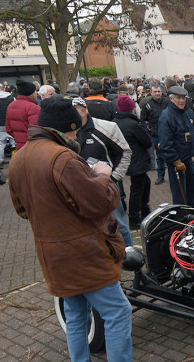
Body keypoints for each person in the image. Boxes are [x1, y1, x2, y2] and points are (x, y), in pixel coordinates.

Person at [8, 95, 170, 362]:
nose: (75, 136)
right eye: (73, 129)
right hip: (84, 254)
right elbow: (98, 204)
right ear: (65, 128)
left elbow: (22, 209)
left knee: (76, 314)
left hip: (53, 254)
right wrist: (104, 179)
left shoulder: (20, 157)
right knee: (118, 312)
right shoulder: (63, 158)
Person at [72, 98, 133, 247]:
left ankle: (132, 260)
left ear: (85, 110)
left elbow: (125, 152)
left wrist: (113, 178)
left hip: (107, 186)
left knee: (118, 223)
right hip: (80, 188)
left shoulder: (107, 127)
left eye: (77, 111)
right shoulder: (67, 132)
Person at [158, 86, 194, 208]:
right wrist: (176, 161)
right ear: (171, 99)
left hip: (188, 160)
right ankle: (182, 220)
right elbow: (165, 144)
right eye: (178, 98)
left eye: (183, 98)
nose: (181, 101)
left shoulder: (188, 112)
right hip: (177, 163)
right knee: (180, 196)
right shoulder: (166, 116)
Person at [114, 95, 153, 229]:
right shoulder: (134, 124)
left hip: (123, 160)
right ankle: (135, 219)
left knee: (145, 184)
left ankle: (144, 210)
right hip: (136, 160)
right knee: (137, 189)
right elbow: (147, 142)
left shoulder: (114, 122)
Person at [140, 84, 169, 185]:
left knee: (171, 154)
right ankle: (160, 176)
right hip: (155, 134)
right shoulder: (146, 104)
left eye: (159, 91)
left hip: (168, 133)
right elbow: (142, 119)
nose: (157, 93)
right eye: (155, 92)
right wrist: (148, 131)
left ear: (161, 92)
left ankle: (174, 175)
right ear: (151, 93)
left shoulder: (167, 101)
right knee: (160, 156)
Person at [5, 79, 41, 151]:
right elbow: (36, 129)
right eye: (35, 91)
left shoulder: (11, 105)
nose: (36, 93)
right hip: (33, 146)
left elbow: (8, 129)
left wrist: (19, 137)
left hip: (19, 145)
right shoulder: (33, 107)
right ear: (31, 94)